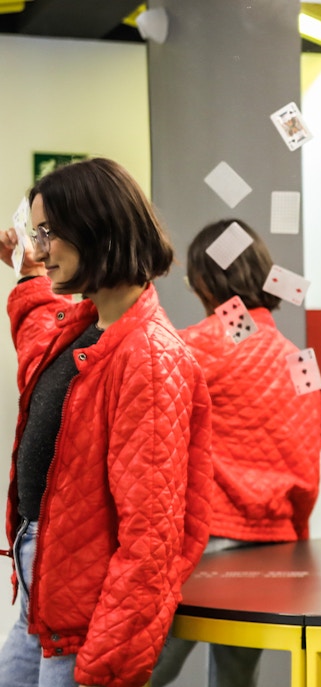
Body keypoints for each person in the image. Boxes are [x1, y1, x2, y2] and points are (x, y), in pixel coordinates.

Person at [0, 158, 213, 687]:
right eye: (37, 233)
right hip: (44, 594)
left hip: (86, 618)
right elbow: (36, 340)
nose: (41, 247)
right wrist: (27, 275)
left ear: (97, 229)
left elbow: (151, 537)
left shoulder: (149, 357)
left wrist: (109, 660)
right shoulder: (84, 327)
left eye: (49, 233)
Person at [151, 219, 321, 687]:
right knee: (236, 679)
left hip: (208, 541)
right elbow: (309, 475)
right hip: (273, 548)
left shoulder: (199, 344)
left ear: (205, 282)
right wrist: (295, 537)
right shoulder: (299, 359)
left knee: (139, 670)